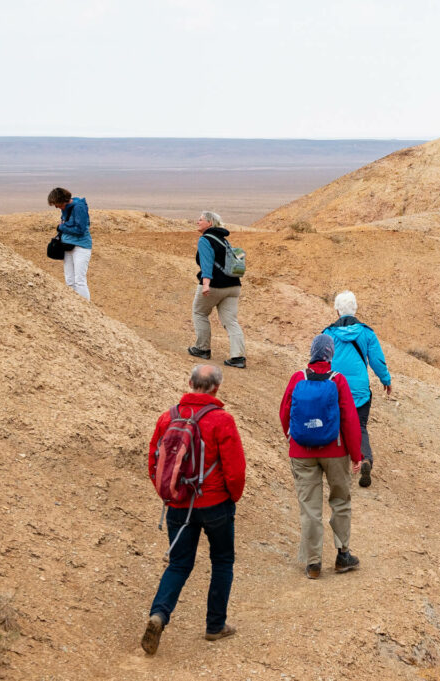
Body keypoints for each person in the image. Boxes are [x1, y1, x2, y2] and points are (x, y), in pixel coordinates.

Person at [141, 364, 246, 655]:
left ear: (189, 383)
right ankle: (215, 626)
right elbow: (235, 469)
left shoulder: (167, 417)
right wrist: (231, 498)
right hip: (215, 504)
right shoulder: (222, 420)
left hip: (178, 504)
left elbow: (154, 462)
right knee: (222, 561)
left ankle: (159, 615)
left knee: (179, 564)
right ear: (217, 388)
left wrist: (169, 494)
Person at [279, 335, 363, 579]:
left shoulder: (298, 378)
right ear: (330, 354)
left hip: (301, 452)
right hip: (335, 451)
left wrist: (290, 438)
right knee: (340, 500)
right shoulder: (338, 380)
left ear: (312, 352)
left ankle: (313, 563)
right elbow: (349, 420)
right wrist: (356, 455)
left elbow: (285, 412)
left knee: (310, 507)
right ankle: (342, 555)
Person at [323, 291, 392, 488]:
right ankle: (365, 459)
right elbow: (377, 361)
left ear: (337, 310)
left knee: (335, 424)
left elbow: (322, 360)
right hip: (360, 389)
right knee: (360, 426)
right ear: (355, 309)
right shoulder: (366, 333)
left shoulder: (328, 334)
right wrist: (386, 380)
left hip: (335, 386)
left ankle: (335, 465)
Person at [187, 211, 246, 369]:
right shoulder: (223, 240)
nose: (197, 221)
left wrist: (206, 283)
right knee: (231, 321)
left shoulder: (205, 240)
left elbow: (207, 264)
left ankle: (202, 349)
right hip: (233, 286)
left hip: (215, 285)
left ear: (210, 223)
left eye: (201, 219)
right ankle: (238, 357)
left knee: (199, 312)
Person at [47, 187, 92, 300]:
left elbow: (80, 229)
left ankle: (86, 308)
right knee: (69, 280)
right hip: (67, 246)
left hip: (80, 246)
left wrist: (62, 227)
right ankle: (74, 306)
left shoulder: (78, 207)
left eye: (57, 204)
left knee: (79, 281)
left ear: (62, 200)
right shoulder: (65, 209)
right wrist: (64, 227)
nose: (57, 207)